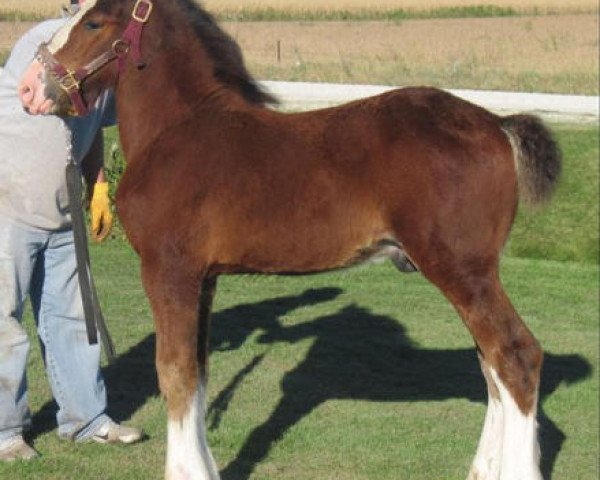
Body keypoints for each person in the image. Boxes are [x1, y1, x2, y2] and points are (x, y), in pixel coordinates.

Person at [0, 1, 143, 461]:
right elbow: (43, 96)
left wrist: (98, 181)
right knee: (3, 321)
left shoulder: (99, 57)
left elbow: (93, 122)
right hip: (9, 203)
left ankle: (86, 420)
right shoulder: (51, 41)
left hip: (63, 217)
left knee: (72, 321)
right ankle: (5, 432)